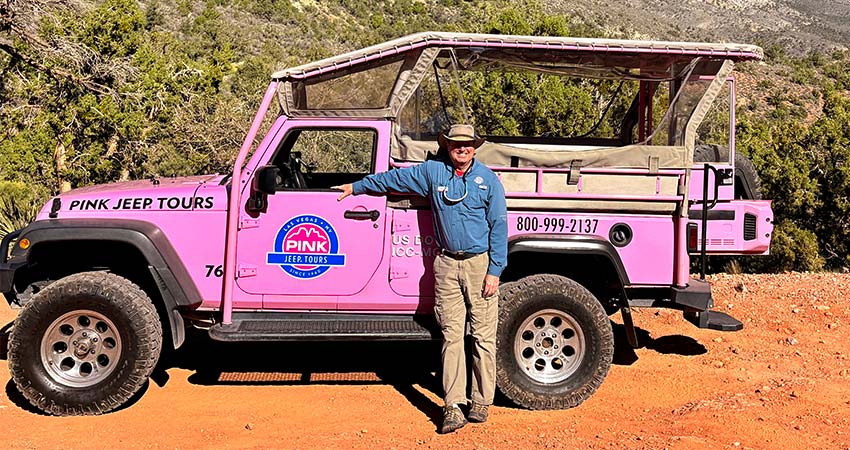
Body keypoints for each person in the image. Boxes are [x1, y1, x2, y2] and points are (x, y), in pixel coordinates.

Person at [334, 124, 507, 434]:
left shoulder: (488, 180)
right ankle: (453, 405)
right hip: (446, 263)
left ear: (475, 147)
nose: (462, 148)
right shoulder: (433, 172)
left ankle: (481, 401)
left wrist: (494, 271)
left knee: (482, 336)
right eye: (456, 144)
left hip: (479, 265)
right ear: (448, 146)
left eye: (467, 144)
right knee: (452, 335)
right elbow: (393, 179)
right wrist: (357, 187)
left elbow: (499, 225)